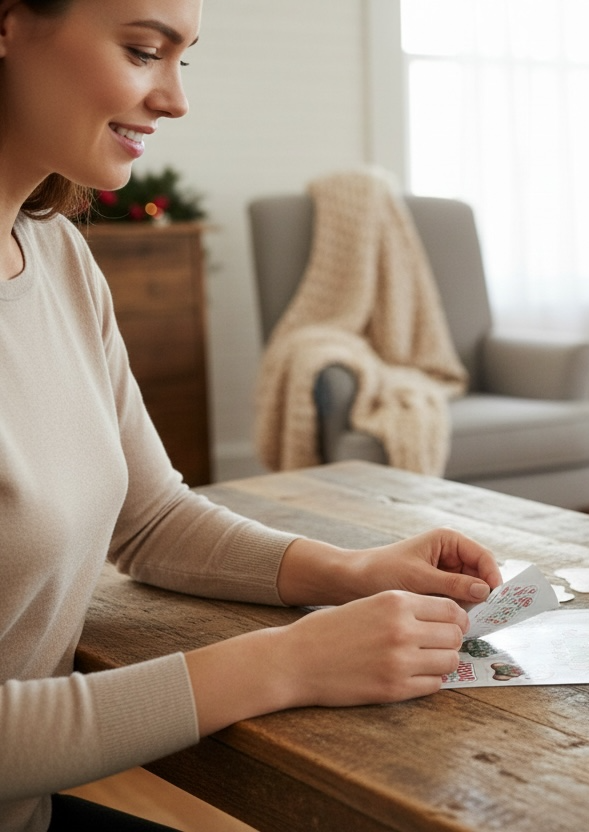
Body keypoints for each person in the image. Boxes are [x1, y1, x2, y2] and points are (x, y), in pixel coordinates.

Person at [0, 1, 502, 829]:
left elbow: (151, 521)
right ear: (10, 24)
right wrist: (288, 663)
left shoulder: (57, 256)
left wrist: (353, 571)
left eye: (182, 60)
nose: (174, 99)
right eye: (143, 50)